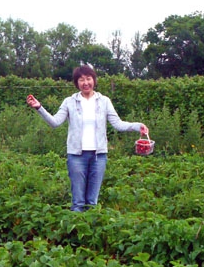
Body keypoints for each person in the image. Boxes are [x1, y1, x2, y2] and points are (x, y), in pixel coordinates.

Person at [27, 64, 149, 212]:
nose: (85, 83)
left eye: (88, 79)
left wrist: (137, 126)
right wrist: (39, 107)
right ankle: (76, 230)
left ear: (94, 80)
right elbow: (55, 122)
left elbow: (118, 124)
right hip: (76, 156)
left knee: (92, 202)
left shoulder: (104, 101)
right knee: (78, 202)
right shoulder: (69, 102)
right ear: (76, 83)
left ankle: (92, 230)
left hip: (99, 157)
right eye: (81, 80)